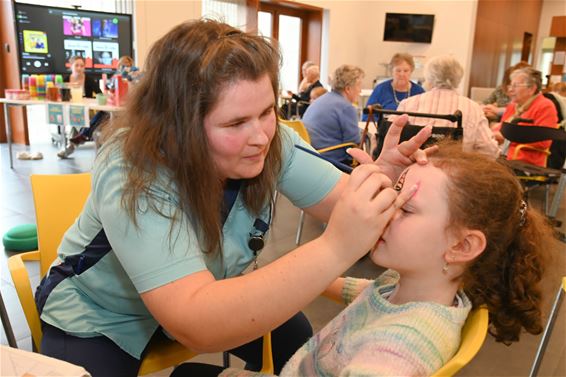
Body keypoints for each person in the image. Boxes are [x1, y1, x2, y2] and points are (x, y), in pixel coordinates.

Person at [36, 19, 433, 377]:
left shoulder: (272, 142)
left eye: (266, 111)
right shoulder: (133, 169)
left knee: (295, 335)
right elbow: (196, 322)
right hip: (101, 315)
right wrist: (335, 247)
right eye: (235, 123)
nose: (261, 135)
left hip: (191, 297)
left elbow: (346, 202)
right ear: (177, 126)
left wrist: (381, 186)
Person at [174, 142, 552, 377]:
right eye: (395, 191)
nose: (387, 209)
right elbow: (363, 291)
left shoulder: (394, 355)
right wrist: (300, 272)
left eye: (407, 209)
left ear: (463, 247)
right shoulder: (412, 287)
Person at [397, 55, 500, 157]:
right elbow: (489, 151)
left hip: (413, 168)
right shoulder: (472, 108)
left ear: (428, 76)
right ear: (458, 77)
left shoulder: (407, 104)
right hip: (456, 169)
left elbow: (390, 141)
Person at [57, 56, 138, 158]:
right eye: (76, 65)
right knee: (79, 120)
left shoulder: (132, 79)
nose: (125, 68)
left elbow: (101, 94)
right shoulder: (115, 78)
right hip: (76, 110)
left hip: (117, 111)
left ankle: (80, 137)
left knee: (94, 117)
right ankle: (80, 137)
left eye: (128, 66)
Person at [492, 67, 559, 167]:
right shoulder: (513, 106)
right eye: (510, 85)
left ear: (531, 89)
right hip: (503, 152)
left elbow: (544, 142)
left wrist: (508, 137)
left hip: (525, 159)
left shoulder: (545, 106)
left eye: (515, 85)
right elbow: (502, 128)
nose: (510, 89)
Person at [302, 64, 364, 164]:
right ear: (348, 89)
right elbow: (353, 145)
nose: (360, 91)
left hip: (311, 156)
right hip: (331, 161)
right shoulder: (346, 107)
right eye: (359, 86)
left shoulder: (320, 100)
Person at [362, 53, 425, 120]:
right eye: (398, 71)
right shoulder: (380, 89)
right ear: (392, 71)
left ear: (411, 71)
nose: (402, 74)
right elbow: (367, 116)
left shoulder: (419, 92)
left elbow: (424, 116)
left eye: (406, 71)